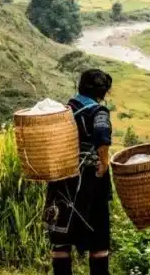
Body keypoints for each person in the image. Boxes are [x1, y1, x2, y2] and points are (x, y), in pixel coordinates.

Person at [43, 69, 114, 275]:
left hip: (62, 177)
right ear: (102, 92)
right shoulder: (98, 112)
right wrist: (104, 162)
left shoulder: (65, 109)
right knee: (98, 237)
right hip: (89, 181)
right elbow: (102, 135)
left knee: (61, 240)